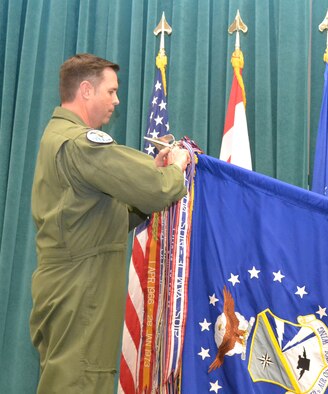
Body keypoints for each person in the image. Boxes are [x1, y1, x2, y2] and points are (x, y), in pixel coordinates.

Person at [30, 53, 191, 393]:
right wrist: (175, 168)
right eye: (111, 92)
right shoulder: (80, 143)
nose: (117, 101)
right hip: (82, 287)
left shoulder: (58, 137)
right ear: (86, 90)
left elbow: (106, 214)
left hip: (75, 282)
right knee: (81, 381)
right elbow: (156, 188)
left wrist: (152, 181)